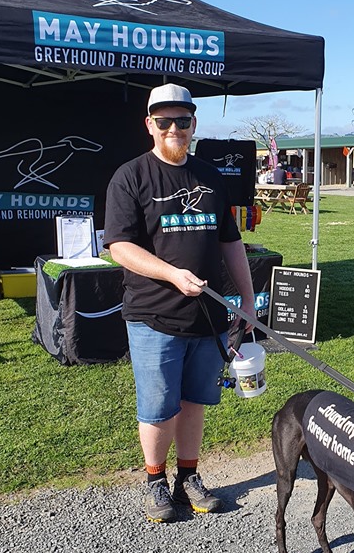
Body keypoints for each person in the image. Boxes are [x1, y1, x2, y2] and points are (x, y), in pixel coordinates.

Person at [104, 83, 255, 524]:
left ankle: (188, 477)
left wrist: (245, 299)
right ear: (150, 125)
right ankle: (155, 482)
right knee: (158, 406)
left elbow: (231, 242)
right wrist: (171, 274)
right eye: (165, 121)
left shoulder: (210, 177)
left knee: (195, 401)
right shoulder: (130, 176)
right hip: (154, 316)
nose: (175, 128)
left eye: (183, 120)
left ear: (193, 123)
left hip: (208, 316)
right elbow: (119, 247)